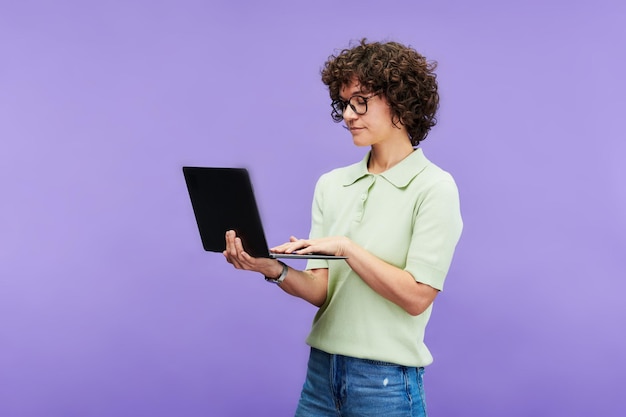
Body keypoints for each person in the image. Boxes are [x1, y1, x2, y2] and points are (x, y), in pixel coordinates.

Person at [223, 39, 463, 417]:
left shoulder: (434, 188)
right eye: (344, 104)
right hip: (322, 373)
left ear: (400, 100)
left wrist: (347, 249)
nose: (349, 114)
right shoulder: (331, 185)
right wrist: (273, 269)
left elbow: (417, 297)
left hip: (385, 383)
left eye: (361, 100)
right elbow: (321, 291)